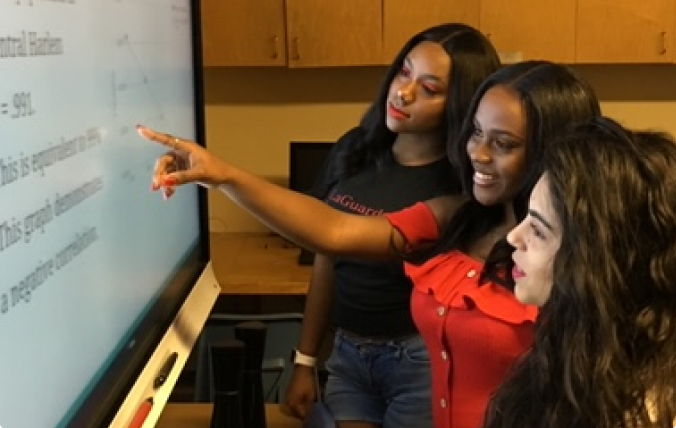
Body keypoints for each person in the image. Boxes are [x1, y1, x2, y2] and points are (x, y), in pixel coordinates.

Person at [136, 60, 601, 428]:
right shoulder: (456, 216)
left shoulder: (577, 255)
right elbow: (332, 232)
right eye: (476, 133)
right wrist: (222, 174)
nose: (477, 154)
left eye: (503, 143)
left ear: (551, 149)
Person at [283, 23, 500, 428]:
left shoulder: (460, 186)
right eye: (404, 72)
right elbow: (327, 256)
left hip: (418, 360)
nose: (404, 93)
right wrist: (305, 360)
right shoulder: (355, 149)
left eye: (430, 89)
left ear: (461, 104)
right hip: (348, 355)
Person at [482, 117, 676, 428]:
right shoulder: (580, 352)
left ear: (594, 260)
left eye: (539, 231)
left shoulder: (644, 411)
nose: (513, 238)